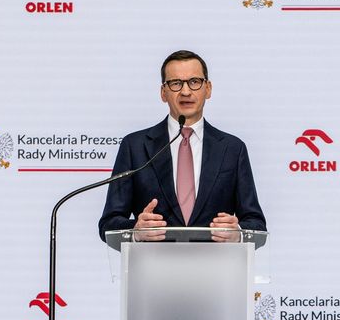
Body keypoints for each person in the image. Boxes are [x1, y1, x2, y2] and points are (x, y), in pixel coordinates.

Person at [99, 50, 266, 243]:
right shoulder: (134, 146)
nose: (186, 91)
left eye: (194, 82)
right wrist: (135, 230)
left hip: (215, 261)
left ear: (208, 89)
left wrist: (238, 233)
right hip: (153, 261)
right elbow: (108, 225)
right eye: (176, 83)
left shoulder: (232, 149)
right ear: (163, 92)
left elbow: (257, 225)